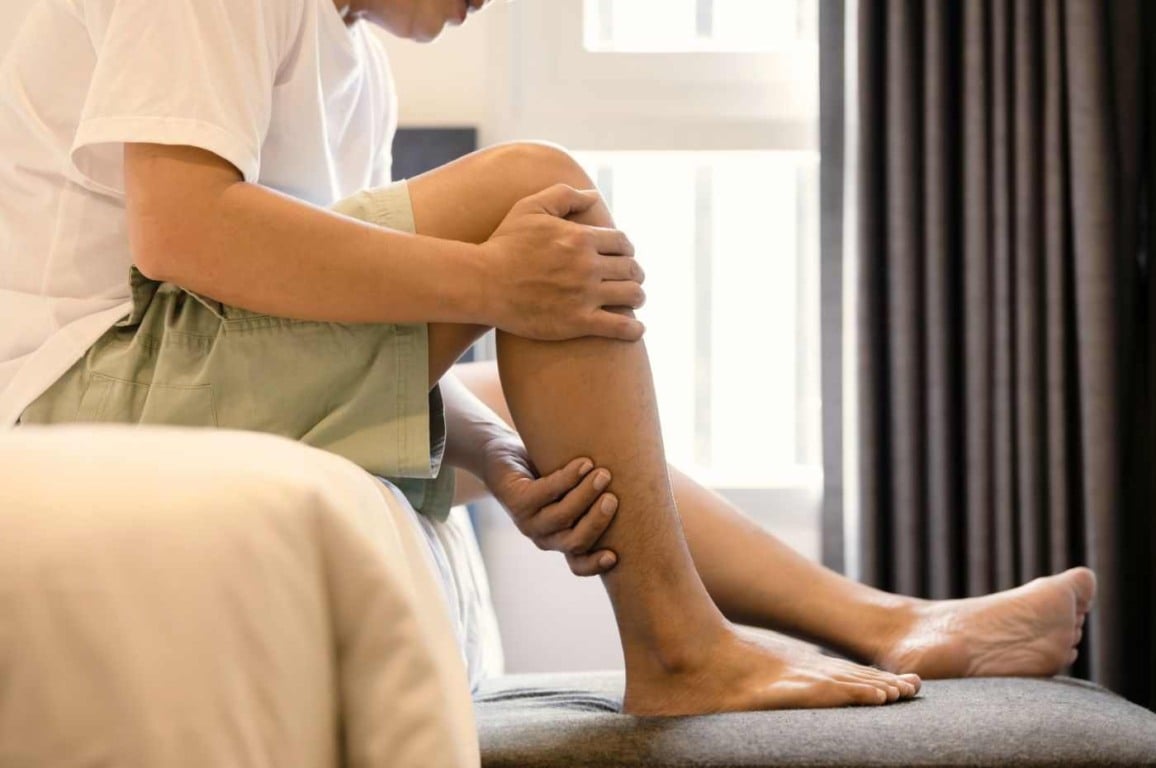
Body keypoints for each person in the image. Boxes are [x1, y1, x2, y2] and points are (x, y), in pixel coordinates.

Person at [0, 0, 1095, 717]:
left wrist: (497, 460)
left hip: (172, 377)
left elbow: (327, 318)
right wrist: (490, 281)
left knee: (489, 392)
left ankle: (881, 618)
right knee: (528, 189)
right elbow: (183, 230)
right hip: (80, 403)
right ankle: (677, 649)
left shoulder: (356, 65)